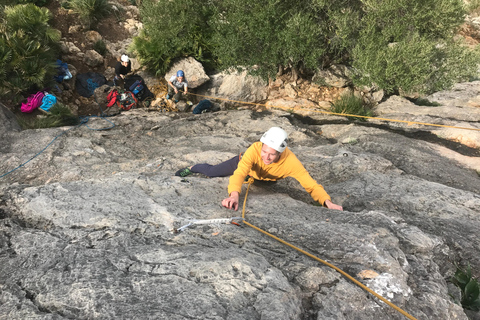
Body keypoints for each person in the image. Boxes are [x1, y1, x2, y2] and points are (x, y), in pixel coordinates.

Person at [175, 127, 343, 211]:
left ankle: (254, 178)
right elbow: (239, 173)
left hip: (266, 178)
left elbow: (311, 185)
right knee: (213, 172)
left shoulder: (291, 162)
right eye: (264, 151)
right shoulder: (255, 149)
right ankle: (193, 167)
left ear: (281, 153)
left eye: (271, 154)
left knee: (265, 184)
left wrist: (326, 202)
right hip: (244, 166)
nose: (266, 157)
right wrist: (234, 195)